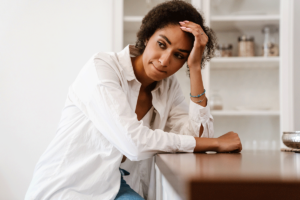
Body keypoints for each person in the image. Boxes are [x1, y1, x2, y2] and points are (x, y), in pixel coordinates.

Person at [25, 0, 242, 199]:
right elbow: (134, 143)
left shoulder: (168, 86)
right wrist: (215, 143)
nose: (165, 60)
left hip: (113, 185)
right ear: (148, 36)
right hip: (68, 187)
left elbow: (196, 138)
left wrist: (195, 68)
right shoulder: (102, 68)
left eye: (179, 55)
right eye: (162, 44)